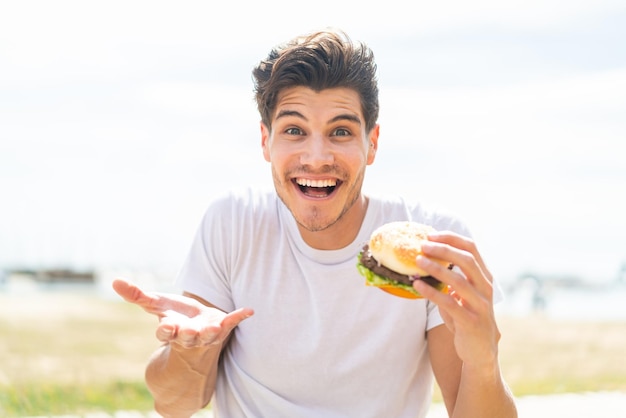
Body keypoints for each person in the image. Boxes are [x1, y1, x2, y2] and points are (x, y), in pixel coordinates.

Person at [113, 29, 518, 418]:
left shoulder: (432, 244)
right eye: (294, 130)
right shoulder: (233, 222)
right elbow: (174, 407)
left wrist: (484, 363)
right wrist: (191, 350)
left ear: (372, 144)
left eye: (340, 131)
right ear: (265, 141)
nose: (317, 156)